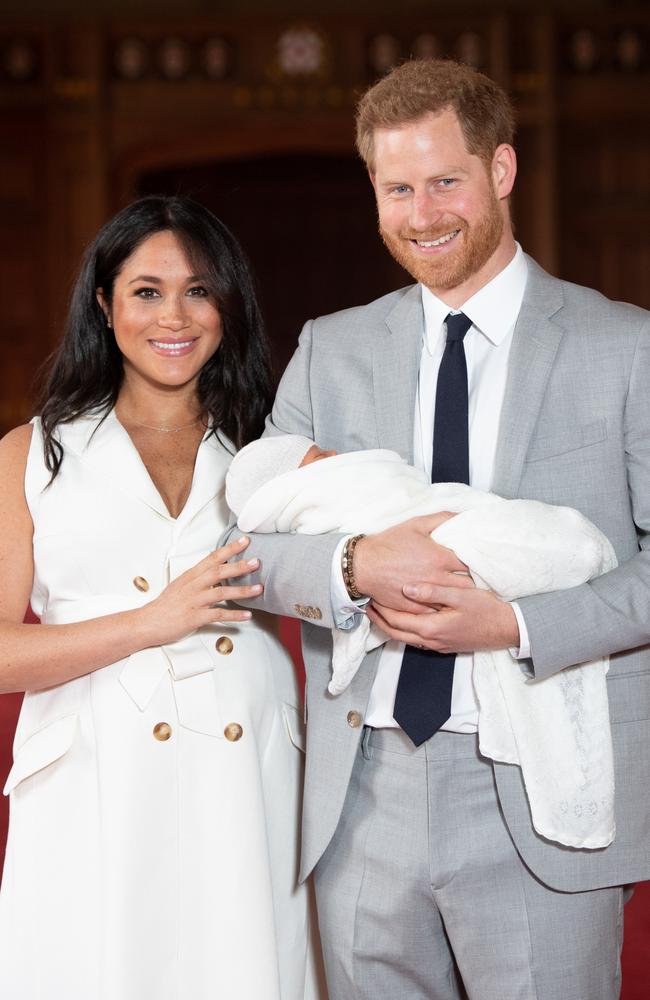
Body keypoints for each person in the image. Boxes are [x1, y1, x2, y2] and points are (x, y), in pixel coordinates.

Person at [235, 60, 650, 1000]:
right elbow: (251, 545)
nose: (422, 213)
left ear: (501, 170)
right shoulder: (331, 349)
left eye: (445, 180)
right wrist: (353, 563)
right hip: (362, 792)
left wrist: (516, 626)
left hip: (540, 792)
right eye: (396, 189)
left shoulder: (625, 347)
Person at [0, 195, 324, 1000]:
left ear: (228, 306)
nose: (174, 316)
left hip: (246, 768)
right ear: (105, 305)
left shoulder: (271, 446)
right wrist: (152, 622)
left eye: (199, 290)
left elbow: (344, 585)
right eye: (147, 291)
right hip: (91, 777)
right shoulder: (32, 452)